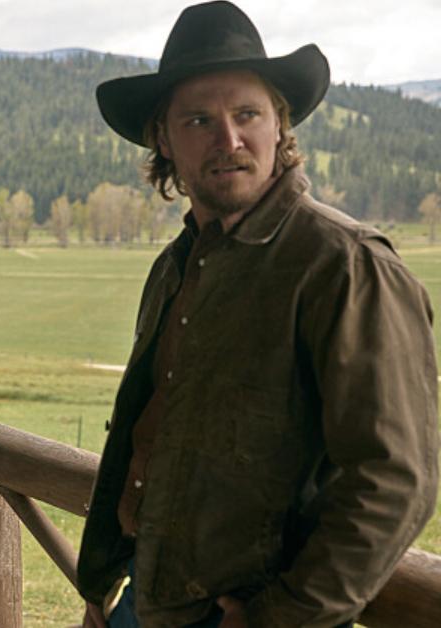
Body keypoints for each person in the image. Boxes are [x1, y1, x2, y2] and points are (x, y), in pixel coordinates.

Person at [78, 2, 439, 627]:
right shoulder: (176, 266)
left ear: (280, 123)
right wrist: (109, 590)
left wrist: (281, 618)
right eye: (199, 120)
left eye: (247, 114)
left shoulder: (344, 266)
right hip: (142, 598)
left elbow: (394, 479)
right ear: (164, 139)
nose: (229, 139)